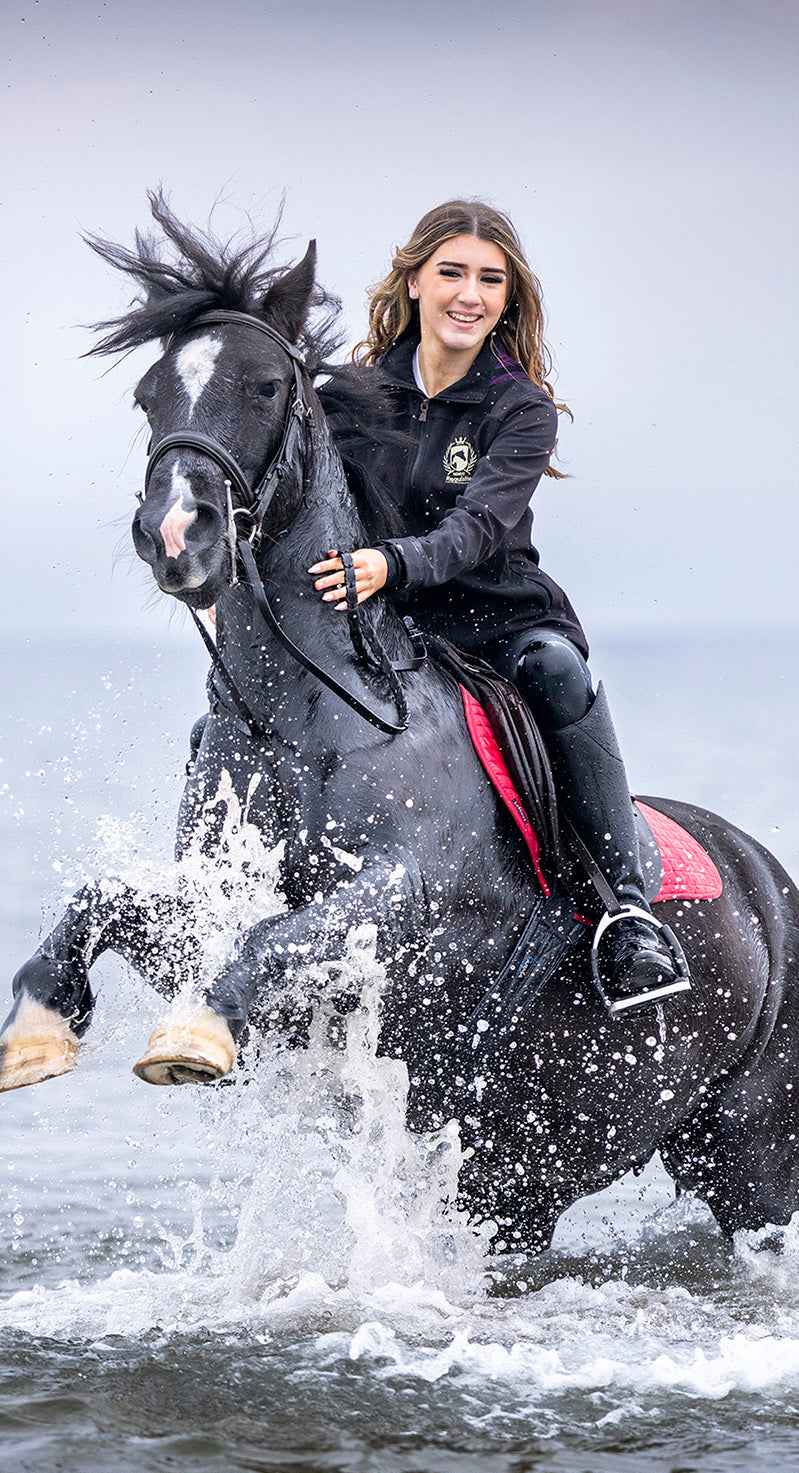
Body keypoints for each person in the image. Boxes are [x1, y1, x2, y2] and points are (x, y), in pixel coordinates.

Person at [310, 200, 685, 1006]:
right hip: (386, 633)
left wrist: (389, 563)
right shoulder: (346, 397)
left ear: (508, 299)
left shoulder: (520, 409)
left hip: (500, 626)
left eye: (490, 280)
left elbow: (479, 528)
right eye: (451, 273)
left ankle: (628, 911)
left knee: (559, 670)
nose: (469, 294)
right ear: (414, 281)